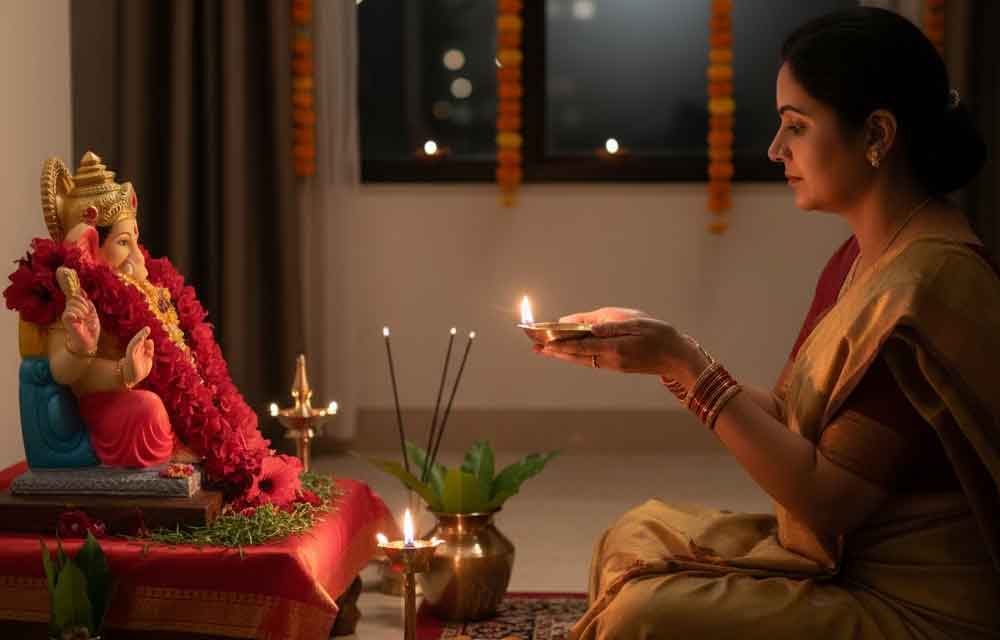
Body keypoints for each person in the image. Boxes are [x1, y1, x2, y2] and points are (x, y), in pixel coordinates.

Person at [535, 8, 1000, 638]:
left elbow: (827, 499)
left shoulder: (928, 285)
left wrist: (681, 362)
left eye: (797, 126)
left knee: (643, 616)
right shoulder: (860, 257)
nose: (777, 149)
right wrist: (665, 356)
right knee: (633, 539)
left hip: (911, 600)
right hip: (845, 565)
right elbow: (787, 417)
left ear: (877, 134)